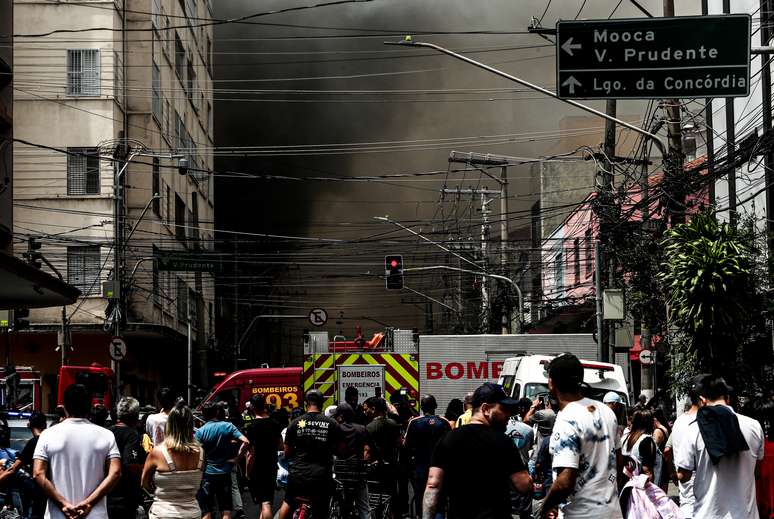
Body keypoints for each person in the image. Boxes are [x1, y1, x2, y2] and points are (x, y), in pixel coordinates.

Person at [423, 383, 531, 519]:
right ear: (485, 409)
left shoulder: (447, 439)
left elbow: (433, 485)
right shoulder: (503, 442)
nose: (508, 415)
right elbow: (523, 485)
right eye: (503, 409)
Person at [540, 354, 622, 519]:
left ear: (551, 383)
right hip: (612, 512)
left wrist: (545, 507)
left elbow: (565, 481)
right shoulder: (605, 410)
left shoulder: (567, 418)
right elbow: (618, 461)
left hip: (582, 514)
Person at [674, 375, 764, 519]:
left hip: (708, 514)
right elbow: (757, 471)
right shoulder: (754, 426)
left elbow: (683, 476)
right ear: (727, 398)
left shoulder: (693, 430)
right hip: (746, 514)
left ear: (702, 400)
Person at [32, 384, 121, 519]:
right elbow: (115, 473)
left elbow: (38, 473)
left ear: (64, 406)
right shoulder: (106, 435)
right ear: (90, 406)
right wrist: (88, 503)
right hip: (95, 515)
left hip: (58, 515)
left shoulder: (47, 434)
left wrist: (63, 504)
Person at [278, 390, 342, 519]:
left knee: (288, 501)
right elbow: (339, 450)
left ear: (306, 403)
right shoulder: (332, 424)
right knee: (321, 508)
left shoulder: (295, 423)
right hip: (321, 476)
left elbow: (287, 453)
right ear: (322, 404)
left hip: (298, 474)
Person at [141, 402, 204, 519]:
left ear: (170, 424)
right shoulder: (200, 452)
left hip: (163, 513)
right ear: (190, 425)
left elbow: (144, 483)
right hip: (192, 513)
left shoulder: (157, 452)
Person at [195, 401, 250, 519]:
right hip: (225, 473)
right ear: (217, 412)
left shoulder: (200, 432)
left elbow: (197, 452)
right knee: (226, 510)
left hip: (208, 474)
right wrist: (236, 459)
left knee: (207, 511)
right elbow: (246, 442)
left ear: (204, 414)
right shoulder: (228, 426)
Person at [404, 395, 451, 517]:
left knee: (420, 499)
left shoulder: (414, 423)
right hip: (440, 469)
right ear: (435, 406)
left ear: (422, 407)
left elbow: (406, 446)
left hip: (420, 468)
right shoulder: (444, 422)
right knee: (439, 502)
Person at [663, 376, 702, 519]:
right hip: (703, 499)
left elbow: (667, 451)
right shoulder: (702, 423)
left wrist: (673, 474)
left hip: (686, 496)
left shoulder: (679, 422)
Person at [244, 395, 283, 519]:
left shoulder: (252, 427)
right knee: (266, 501)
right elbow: (281, 446)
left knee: (265, 503)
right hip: (271, 466)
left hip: (257, 469)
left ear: (253, 408)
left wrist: (247, 471)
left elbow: (251, 454)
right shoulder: (275, 423)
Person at [107, 397, 145, 519]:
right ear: (135, 415)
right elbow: (130, 463)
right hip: (124, 497)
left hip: (107, 495)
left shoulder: (108, 432)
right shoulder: (132, 434)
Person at [363, 396, 402, 509]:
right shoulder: (393, 424)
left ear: (373, 409)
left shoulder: (369, 427)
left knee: (375, 497)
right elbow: (399, 443)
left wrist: (365, 465)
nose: (365, 412)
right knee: (392, 494)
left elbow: (367, 451)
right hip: (392, 465)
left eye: (366, 409)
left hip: (376, 467)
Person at [332, 403, 369, 519]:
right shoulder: (362, 428)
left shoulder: (336, 429)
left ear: (341, 416)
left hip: (341, 475)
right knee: (364, 507)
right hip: (358, 473)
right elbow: (370, 448)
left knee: (342, 504)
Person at [506, 398, 535, 519]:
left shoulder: (500, 427)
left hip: (504, 469)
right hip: (522, 468)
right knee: (523, 504)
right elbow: (529, 448)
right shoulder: (528, 430)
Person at [19, 411, 47, 519]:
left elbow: (15, 467)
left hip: (38, 487)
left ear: (29, 425)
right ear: (44, 425)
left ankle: (22, 513)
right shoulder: (50, 440)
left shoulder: (33, 442)